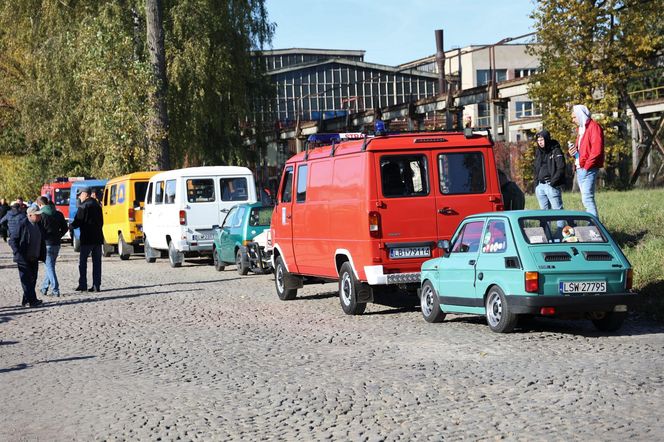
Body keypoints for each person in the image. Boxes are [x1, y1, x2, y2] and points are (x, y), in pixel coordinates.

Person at [568, 104, 604, 218]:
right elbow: (582, 150)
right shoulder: (581, 129)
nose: (572, 120)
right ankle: (593, 227)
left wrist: (586, 166)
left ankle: (596, 229)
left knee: (587, 199)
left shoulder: (594, 127)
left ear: (580, 115)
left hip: (588, 169)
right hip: (580, 168)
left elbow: (596, 150)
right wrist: (573, 152)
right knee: (586, 199)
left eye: (574, 117)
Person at [10, 206, 45, 307]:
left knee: (33, 279)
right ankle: (32, 301)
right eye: (37, 215)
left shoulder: (39, 224)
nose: (39, 216)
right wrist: (18, 253)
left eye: (39, 214)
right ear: (30, 215)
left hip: (34, 256)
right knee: (26, 280)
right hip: (23, 257)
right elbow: (12, 240)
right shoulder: (22, 224)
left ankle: (26, 300)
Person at [70, 186, 104, 292]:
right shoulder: (98, 205)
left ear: (85, 194)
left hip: (87, 239)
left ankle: (83, 284)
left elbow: (78, 221)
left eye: (80, 195)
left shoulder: (83, 206)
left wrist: (70, 226)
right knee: (97, 263)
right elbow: (102, 221)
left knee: (83, 262)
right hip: (98, 238)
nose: (79, 197)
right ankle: (96, 285)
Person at [37, 196, 68, 297]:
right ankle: (44, 288)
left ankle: (55, 289)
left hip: (47, 244)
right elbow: (65, 228)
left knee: (49, 267)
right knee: (50, 267)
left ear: (40, 204)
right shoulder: (58, 213)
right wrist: (59, 235)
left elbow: (39, 231)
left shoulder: (41, 215)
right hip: (57, 243)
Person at [534, 129, 566, 210]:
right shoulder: (538, 152)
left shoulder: (556, 150)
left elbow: (561, 167)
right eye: (538, 140)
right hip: (540, 186)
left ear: (547, 139)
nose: (540, 142)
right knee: (544, 216)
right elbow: (536, 169)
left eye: (542, 140)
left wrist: (553, 183)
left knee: (558, 213)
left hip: (551, 186)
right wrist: (536, 185)